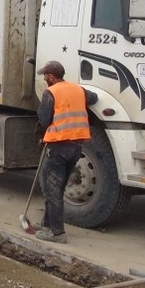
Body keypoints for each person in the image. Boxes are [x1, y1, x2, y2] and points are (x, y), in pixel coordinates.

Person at [34, 60, 98, 244]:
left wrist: (41, 136)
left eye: (45, 76)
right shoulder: (78, 90)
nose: (44, 79)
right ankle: (47, 224)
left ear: (51, 76)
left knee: (51, 189)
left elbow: (44, 119)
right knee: (58, 187)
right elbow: (94, 98)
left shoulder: (51, 92)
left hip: (58, 146)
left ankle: (57, 233)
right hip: (76, 147)